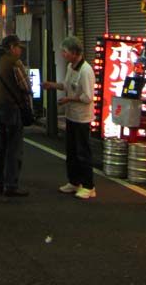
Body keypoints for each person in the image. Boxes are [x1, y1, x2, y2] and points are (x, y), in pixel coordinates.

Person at [44, 35, 96, 200]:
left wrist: (68, 99)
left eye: (65, 51)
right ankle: (74, 181)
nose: (63, 54)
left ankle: (89, 186)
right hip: (71, 115)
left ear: (74, 52)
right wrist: (53, 85)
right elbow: (67, 86)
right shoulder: (70, 67)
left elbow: (87, 97)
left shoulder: (86, 70)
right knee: (71, 151)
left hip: (82, 118)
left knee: (83, 152)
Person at [0, 34, 32, 197]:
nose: (20, 51)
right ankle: (11, 185)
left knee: (0, 148)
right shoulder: (14, 62)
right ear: (13, 47)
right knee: (14, 148)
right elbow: (25, 86)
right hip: (12, 109)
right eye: (19, 48)